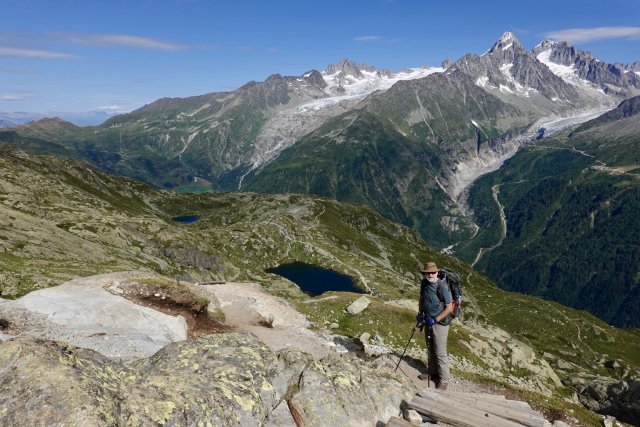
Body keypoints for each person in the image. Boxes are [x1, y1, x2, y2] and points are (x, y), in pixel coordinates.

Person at [417, 261, 454, 390]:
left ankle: (444, 379)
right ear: (424, 274)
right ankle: (432, 373)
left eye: (433, 272)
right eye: (428, 273)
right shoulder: (424, 283)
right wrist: (420, 313)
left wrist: (435, 319)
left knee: (440, 351)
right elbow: (422, 299)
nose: (430, 275)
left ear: (437, 272)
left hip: (440, 323)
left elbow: (449, 308)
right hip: (427, 320)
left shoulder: (443, 287)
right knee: (430, 348)